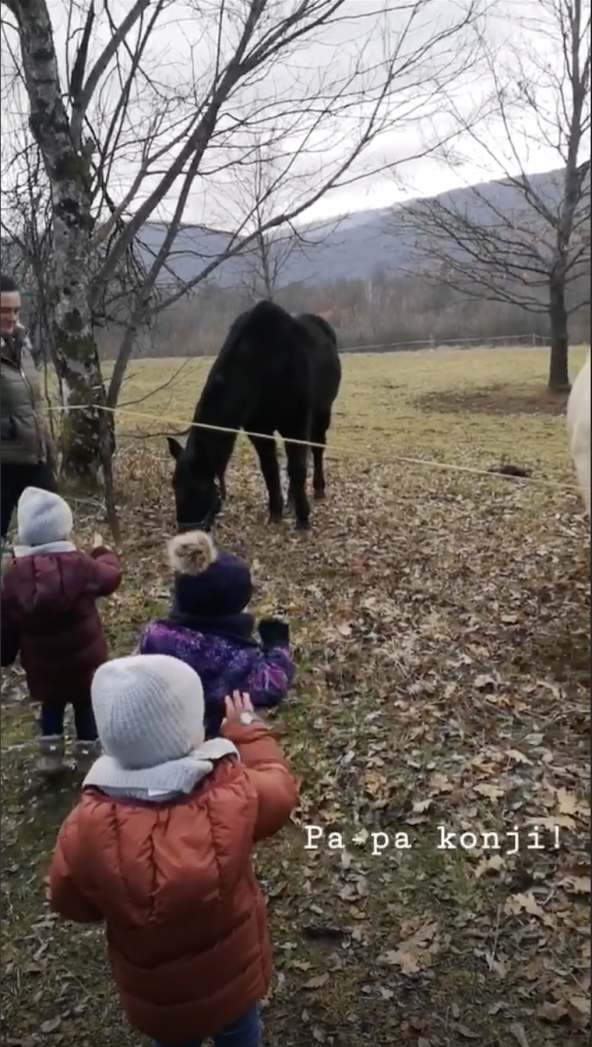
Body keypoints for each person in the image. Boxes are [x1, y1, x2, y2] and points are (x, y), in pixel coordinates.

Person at [47, 655, 299, 1047]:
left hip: (157, 997)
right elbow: (281, 792)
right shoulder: (232, 792)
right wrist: (248, 731)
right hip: (231, 978)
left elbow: (69, 902)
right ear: (188, 734)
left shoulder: (84, 826)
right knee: (240, 1035)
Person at [1, 487, 121, 775]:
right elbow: (110, 577)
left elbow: (6, 621)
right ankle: (88, 755)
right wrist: (104, 553)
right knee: (85, 705)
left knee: (52, 705)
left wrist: (5, 653)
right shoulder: (81, 566)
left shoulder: (13, 576)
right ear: (64, 529)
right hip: (84, 663)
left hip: (43, 665)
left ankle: (50, 756)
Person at [138, 530, 296, 737]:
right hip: (210, 746)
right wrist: (278, 647)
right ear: (227, 609)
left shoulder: (155, 635)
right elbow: (272, 686)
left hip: (157, 739)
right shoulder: (232, 655)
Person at [1, 273, 58, 544]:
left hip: (34, 458)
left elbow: (33, 403)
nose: (11, 317)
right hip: (3, 462)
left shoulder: (23, 347)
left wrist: (45, 442)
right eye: (3, 311)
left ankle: (47, 585)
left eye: (15, 310)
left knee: (53, 532)